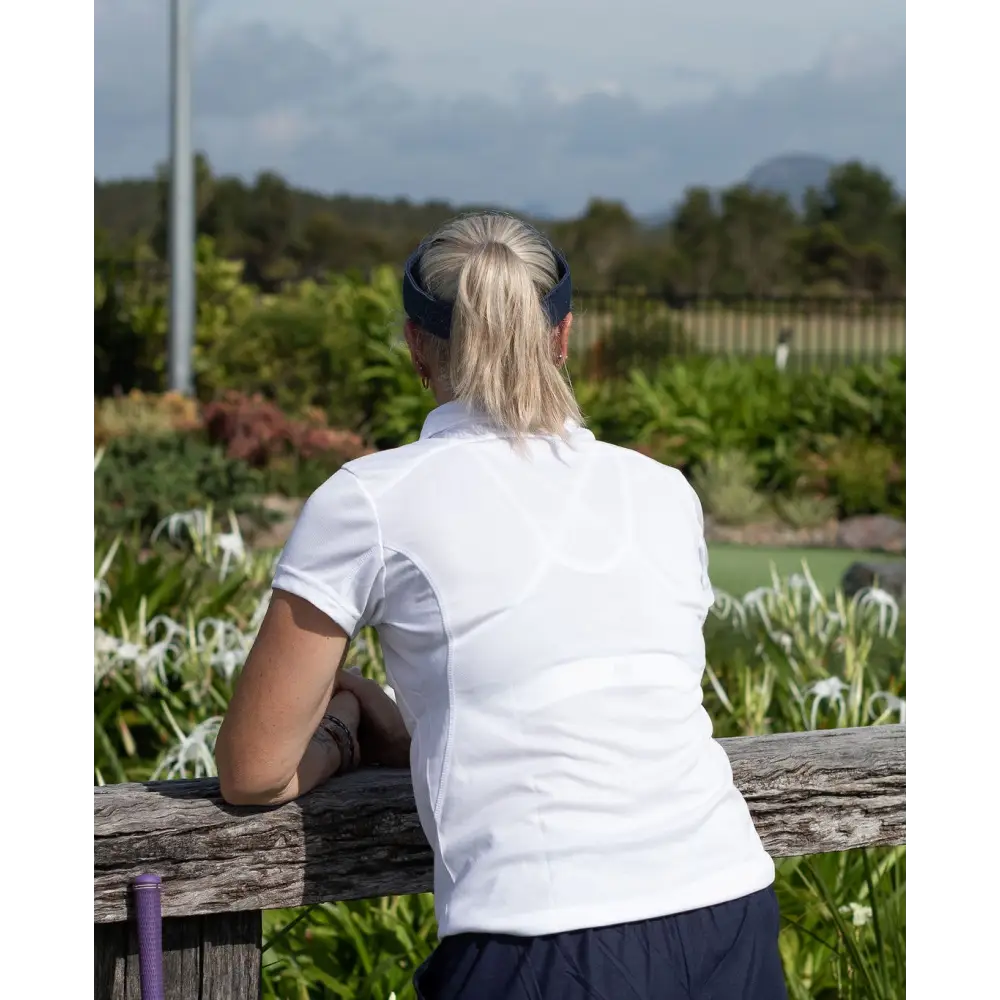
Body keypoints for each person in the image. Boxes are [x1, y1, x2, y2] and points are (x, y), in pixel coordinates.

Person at [215, 212, 786, 999]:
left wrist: (347, 732)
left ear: (418, 345)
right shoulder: (662, 491)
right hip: (729, 910)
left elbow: (252, 770)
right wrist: (404, 723)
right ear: (563, 336)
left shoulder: (371, 500)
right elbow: (578, 688)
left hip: (543, 936)